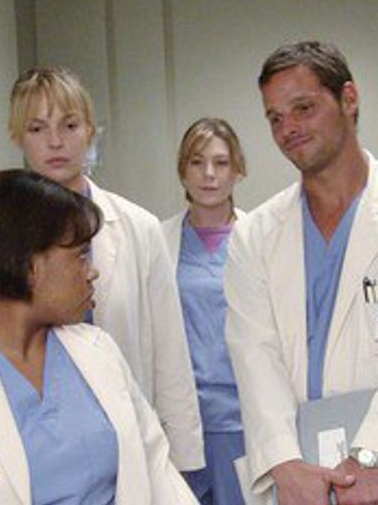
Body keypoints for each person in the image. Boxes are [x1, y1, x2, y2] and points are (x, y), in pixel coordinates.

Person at [225, 41, 378, 505]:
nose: (288, 128)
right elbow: (254, 355)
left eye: (303, 108)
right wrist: (284, 464)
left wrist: (372, 455)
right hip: (300, 480)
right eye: (275, 118)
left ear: (349, 99)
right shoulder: (253, 235)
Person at [0, 169, 198, 504]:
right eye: (80, 255)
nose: (92, 271)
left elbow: (158, 473)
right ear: (28, 266)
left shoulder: (99, 352)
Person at [7, 67, 204, 472]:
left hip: (124, 437)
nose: (55, 141)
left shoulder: (139, 228)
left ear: (90, 131)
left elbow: (170, 354)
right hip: (32, 444)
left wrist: (182, 461)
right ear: (17, 137)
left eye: (69, 125)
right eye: (37, 128)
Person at [162, 118, 248, 504]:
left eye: (221, 163)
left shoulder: (261, 238)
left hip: (241, 419)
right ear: (183, 170)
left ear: (238, 170)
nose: (208, 174)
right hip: (182, 418)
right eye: (197, 162)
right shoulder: (158, 240)